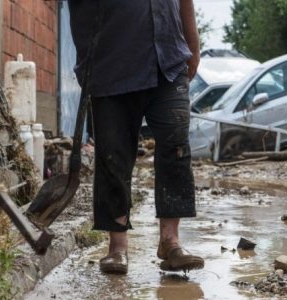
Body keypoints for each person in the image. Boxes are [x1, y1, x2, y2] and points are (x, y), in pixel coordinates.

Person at [68, 0, 204, 274]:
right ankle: (117, 247)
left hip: (167, 57)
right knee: (113, 154)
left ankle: (170, 241)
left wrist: (192, 46)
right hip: (110, 62)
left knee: (176, 145)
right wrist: (86, 62)